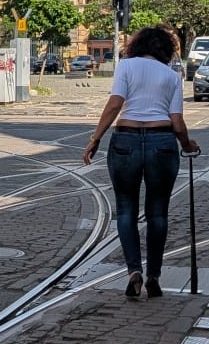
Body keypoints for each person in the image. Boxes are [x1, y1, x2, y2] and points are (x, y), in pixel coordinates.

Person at [83, 25, 200, 299]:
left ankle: (133, 271)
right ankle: (154, 276)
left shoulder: (126, 66)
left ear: (137, 45)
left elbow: (114, 104)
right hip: (162, 143)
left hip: (126, 140)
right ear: (165, 50)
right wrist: (187, 145)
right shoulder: (172, 76)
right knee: (158, 213)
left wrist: (95, 138)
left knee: (125, 211)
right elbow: (177, 122)